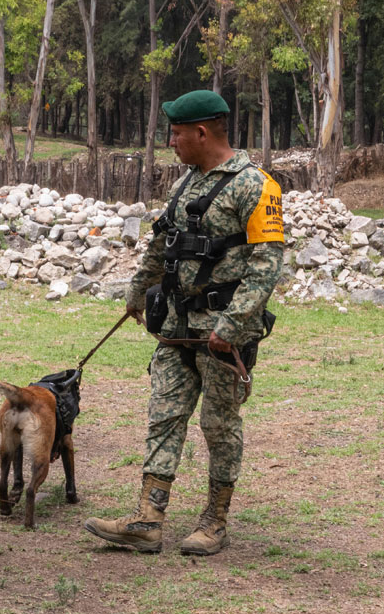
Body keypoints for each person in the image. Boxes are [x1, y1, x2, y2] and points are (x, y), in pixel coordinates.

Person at [83, 89, 284, 555]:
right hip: (177, 326)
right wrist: (138, 291)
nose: (170, 141)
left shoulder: (256, 185)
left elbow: (267, 261)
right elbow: (162, 241)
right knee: (164, 416)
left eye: (175, 133)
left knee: (219, 424)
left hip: (222, 333)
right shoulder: (187, 182)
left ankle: (214, 521)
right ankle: (148, 519)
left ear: (201, 132)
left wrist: (233, 324)